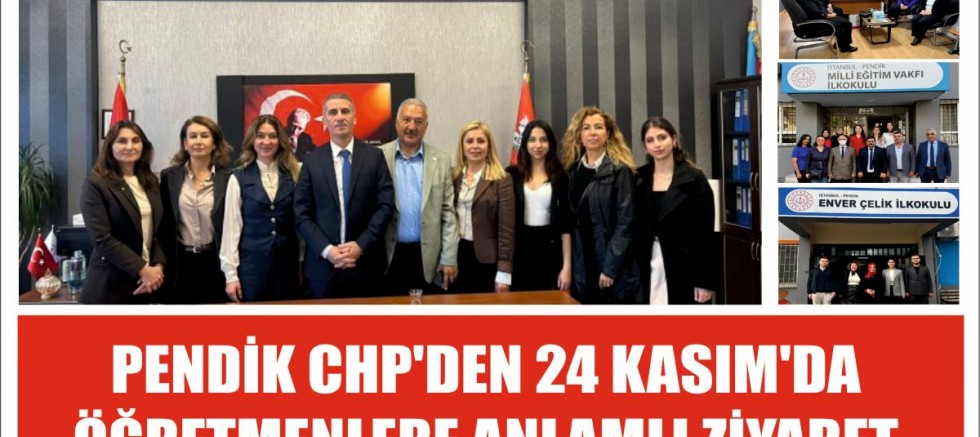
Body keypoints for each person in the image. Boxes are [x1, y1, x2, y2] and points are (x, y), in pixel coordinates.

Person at [294, 93, 395, 298]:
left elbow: (385, 206)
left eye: (345, 111)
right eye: (333, 112)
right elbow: (301, 213)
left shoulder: (374, 157)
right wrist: (327, 250)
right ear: (325, 121)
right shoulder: (311, 161)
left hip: (366, 266)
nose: (340, 117)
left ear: (354, 118)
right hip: (323, 268)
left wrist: (361, 245)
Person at [634, 116, 718, 305]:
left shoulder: (694, 179)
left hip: (684, 265)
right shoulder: (638, 178)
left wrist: (704, 281)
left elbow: (704, 234)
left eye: (662, 137)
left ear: (674, 140)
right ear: (645, 146)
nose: (657, 144)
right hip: (646, 263)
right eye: (650, 140)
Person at [79, 121, 165, 304]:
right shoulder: (96, 183)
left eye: (136, 140)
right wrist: (143, 269)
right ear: (110, 147)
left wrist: (158, 266)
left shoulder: (151, 182)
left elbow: (158, 232)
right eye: (122, 141)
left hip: (149, 284)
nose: (130, 146)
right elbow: (102, 239)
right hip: (110, 285)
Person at [561, 106, 641, 304]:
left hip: (611, 266)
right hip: (582, 263)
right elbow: (569, 222)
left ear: (608, 134)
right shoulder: (573, 171)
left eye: (598, 127)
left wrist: (610, 268)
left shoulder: (619, 171)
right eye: (586, 128)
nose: (593, 132)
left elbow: (626, 224)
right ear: (579, 135)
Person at [219, 115, 302, 302]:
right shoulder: (238, 178)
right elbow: (231, 230)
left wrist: (301, 263)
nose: (267, 141)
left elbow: (300, 224)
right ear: (252, 141)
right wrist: (231, 276)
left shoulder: (294, 174)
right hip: (252, 268)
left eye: (272, 136)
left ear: (280, 141)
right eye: (260, 136)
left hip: (287, 266)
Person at [380, 98, 458, 295]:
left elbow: (448, 213)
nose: (412, 126)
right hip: (388, 254)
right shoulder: (378, 156)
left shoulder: (441, 160)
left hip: (428, 257)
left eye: (418, 121)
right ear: (396, 123)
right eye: (406, 119)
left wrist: (449, 257)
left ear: (426, 126)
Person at [160, 116, 233, 304]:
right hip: (180, 262)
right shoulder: (169, 177)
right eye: (193, 136)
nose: (198, 141)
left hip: (214, 261)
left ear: (214, 143)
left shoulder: (229, 178)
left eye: (204, 136)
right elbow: (164, 224)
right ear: (185, 144)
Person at [449, 120, 515, 294]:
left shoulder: (502, 179)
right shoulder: (453, 176)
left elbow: (506, 230)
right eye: (469, 141)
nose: (475, 146)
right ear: (462, 147)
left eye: (481, 141)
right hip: (455, 255)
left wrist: (504, 271)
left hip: (486, 259)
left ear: (489, 146)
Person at [506, 120, 572, 292]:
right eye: (532, 139)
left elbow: (565, 226)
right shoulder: (512, 174)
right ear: (525, 143)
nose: (538, 145)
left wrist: (567, 267)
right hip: (520, 249)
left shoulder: (561, 177)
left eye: (543, 140)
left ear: (550, 144)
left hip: (550, 249)